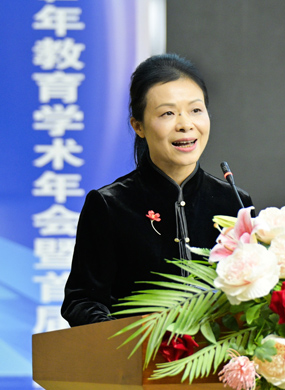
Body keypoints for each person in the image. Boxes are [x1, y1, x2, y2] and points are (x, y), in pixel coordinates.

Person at [61, 54, 252, 327]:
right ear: (138, 126)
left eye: (196, 110)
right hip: (137, 362)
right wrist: (126, 343)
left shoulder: (234, 201)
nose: (185, 124)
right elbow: (82, 301)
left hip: (218, 363)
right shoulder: (109, 205)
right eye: (168, 113)